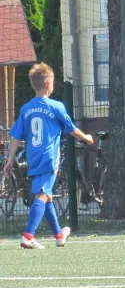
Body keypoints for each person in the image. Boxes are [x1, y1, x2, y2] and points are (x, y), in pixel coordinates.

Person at [2, 63, 94, 249]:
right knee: (42, 196)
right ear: (48, 85)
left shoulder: (26, 109)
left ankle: (59, 235)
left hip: (33, 159)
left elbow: (15, 136)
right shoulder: (56, 106)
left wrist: (9, 160)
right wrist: (87, 138)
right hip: (49, 159)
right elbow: (72, 128)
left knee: (46, 196)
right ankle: (28, 236)